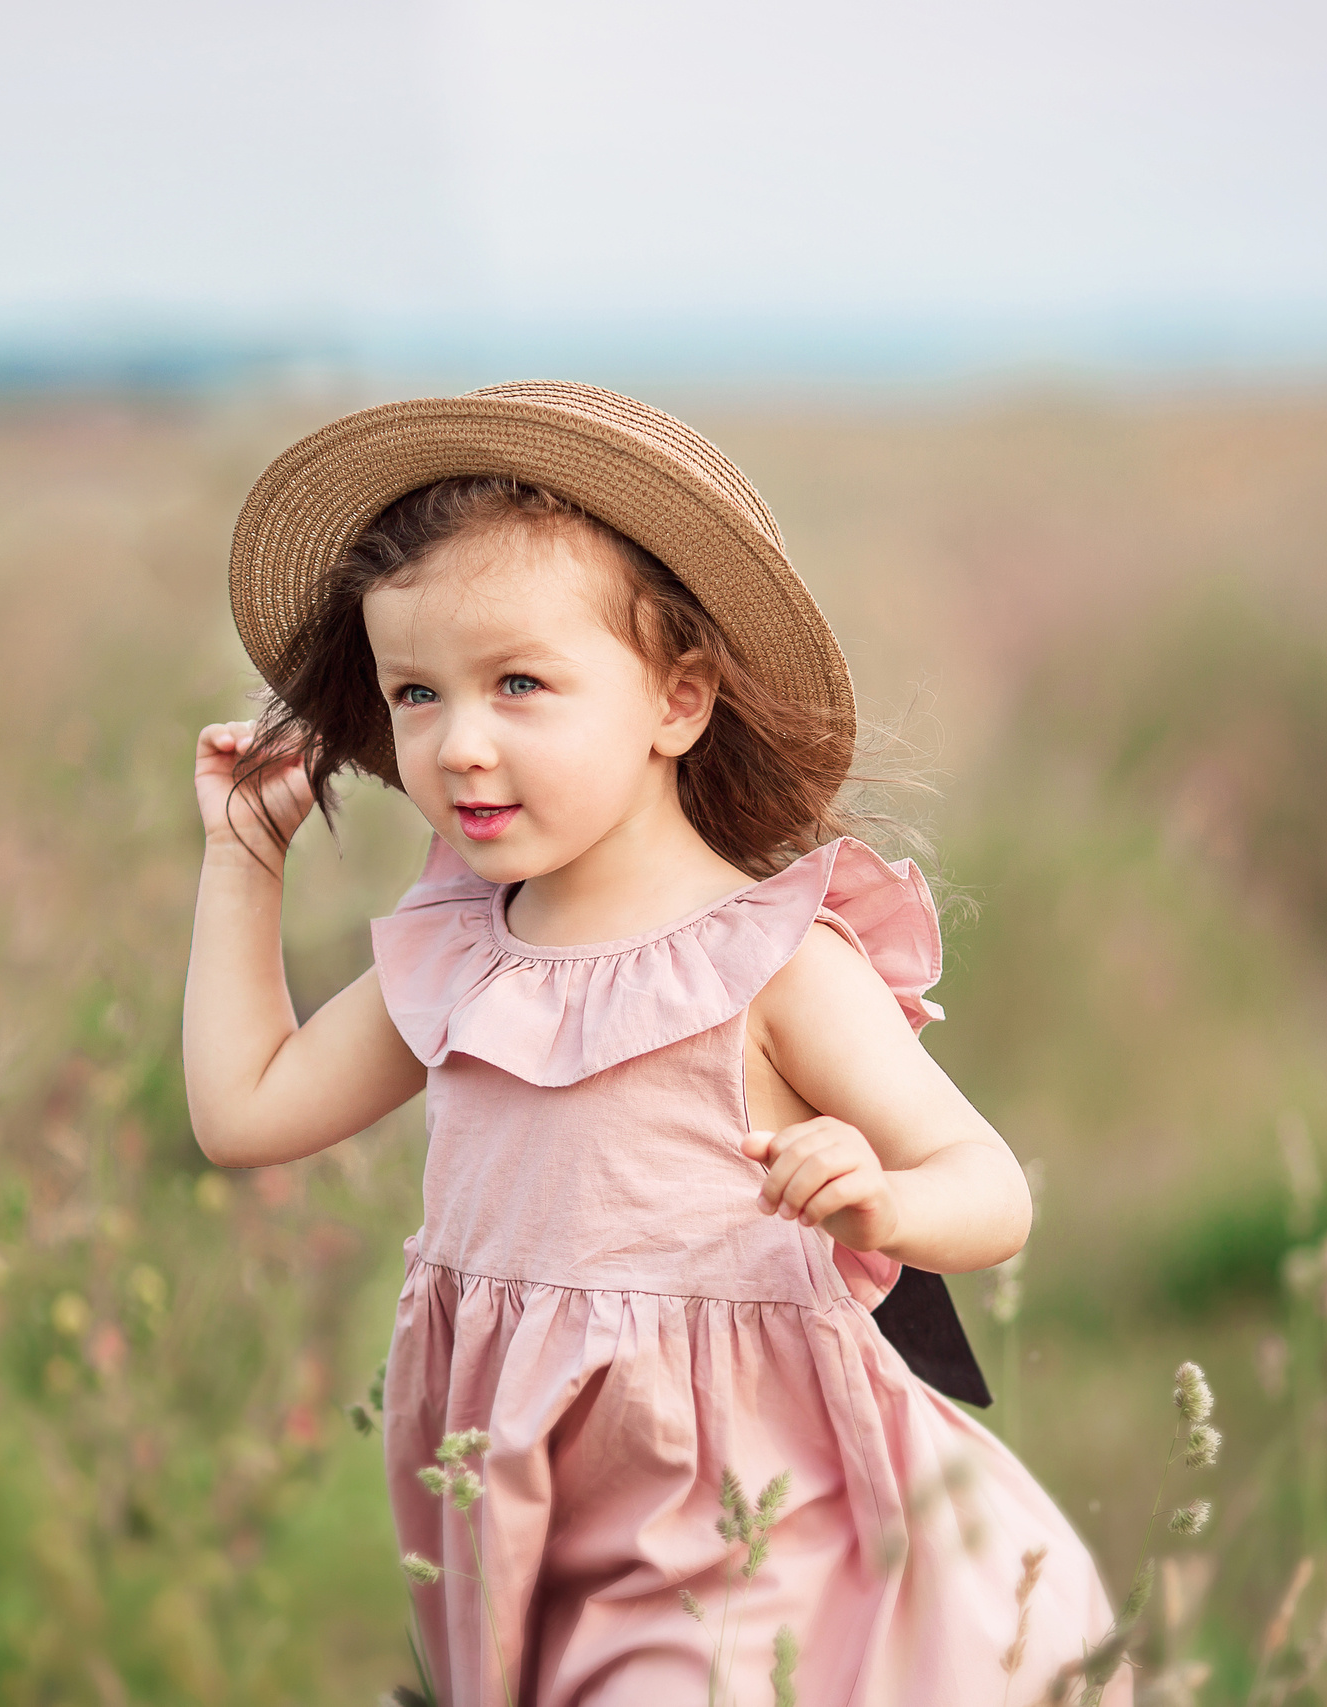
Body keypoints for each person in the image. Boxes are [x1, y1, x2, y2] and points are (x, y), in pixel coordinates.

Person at [184, 382, 1123, 1704]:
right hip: (527, 1518)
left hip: (750, 1527)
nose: (460, 745)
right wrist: (242, 865)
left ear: (676, 699)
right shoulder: (462, 958)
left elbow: (994, 1193)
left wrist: (885, 1200)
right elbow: (245, 1110)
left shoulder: (771, 962)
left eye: (520, 683)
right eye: (417, 692)